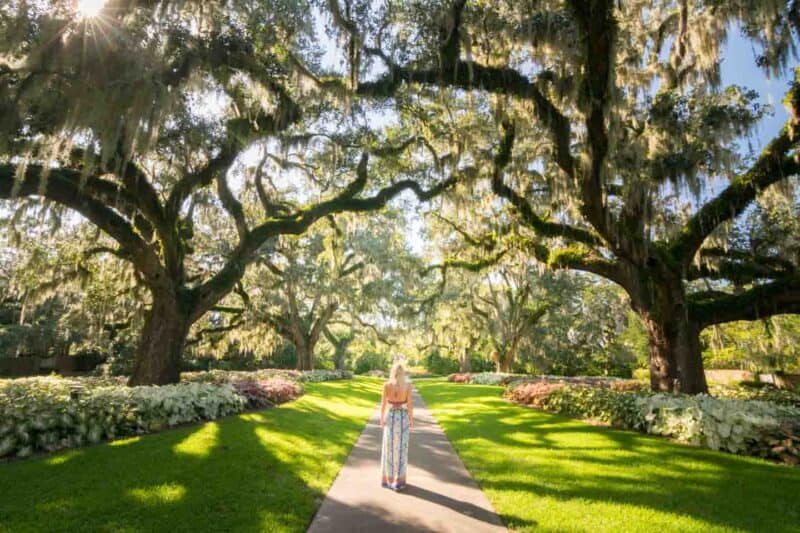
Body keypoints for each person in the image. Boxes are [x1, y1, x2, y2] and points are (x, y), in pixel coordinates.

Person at [380, 362, 414, 490]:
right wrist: (411, 419)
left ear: (392, 372)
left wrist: (381, 418)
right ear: (403, 373)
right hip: (403, 418)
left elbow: (383, 404)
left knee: (389, 447)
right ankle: (398, 481)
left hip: (391, 417)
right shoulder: (407, 386)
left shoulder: (387, 385)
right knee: (401, 448)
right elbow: (410, 404)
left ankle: (387, 479)